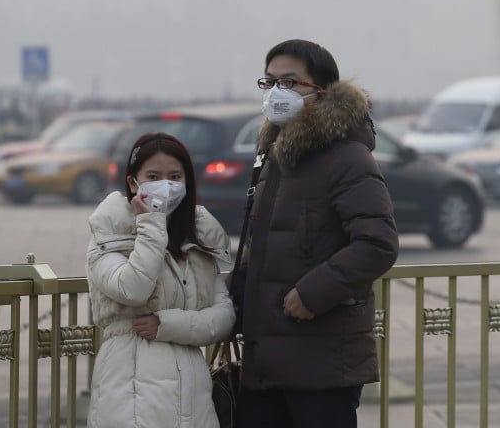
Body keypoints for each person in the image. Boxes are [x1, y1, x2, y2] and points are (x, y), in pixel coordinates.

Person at [228, 39, 399, 427]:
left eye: (290, 82)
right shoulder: (277, 155)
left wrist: (311, 293)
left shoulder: (348, 158)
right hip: (266, 361)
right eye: (269, 82)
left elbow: (377, 243)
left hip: (322, 364)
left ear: (322, 92)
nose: (277, 93)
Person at [86, 132, 235, 428]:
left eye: (175, 176)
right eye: (153, 176)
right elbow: (133, 289)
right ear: (133, 182)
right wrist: (150, 224)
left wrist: (167, 325)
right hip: (130, 391)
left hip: (193, 396)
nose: (166, 185)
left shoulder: (198, 237)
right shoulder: (109, 234)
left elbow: (223, 317)